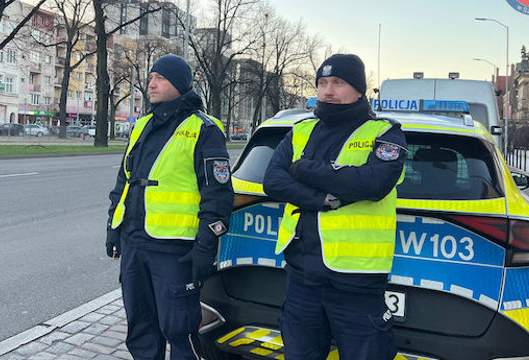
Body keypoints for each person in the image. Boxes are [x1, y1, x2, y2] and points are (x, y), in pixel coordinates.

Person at [263, 54, 407, 360]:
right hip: (302, 276)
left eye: (338, 83)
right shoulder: (301, 129)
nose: (328, 90)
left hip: (356, 281)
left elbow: (373, 184)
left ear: (359, 90)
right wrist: (321, 199)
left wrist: (304, 169)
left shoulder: (383, 133)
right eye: (322, 83)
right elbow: (273, 180)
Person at [105, 53, 234, 359]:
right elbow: (124, 180)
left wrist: (206, 245)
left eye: (160, 78)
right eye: (150, 78)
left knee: (179, 331)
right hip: (135, 244)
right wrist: (113, 227)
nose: (151, 84)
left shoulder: (203, 128)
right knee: (140, 329)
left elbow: (218, 194)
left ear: (179, 83)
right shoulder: (143, 124)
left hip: (175, 251)